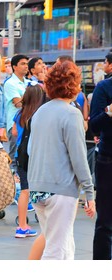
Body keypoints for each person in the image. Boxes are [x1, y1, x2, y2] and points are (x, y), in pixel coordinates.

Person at [27, 60, 96, 260]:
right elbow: (79, 157)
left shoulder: (40, 112)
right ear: (73, 85)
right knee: (56, 251)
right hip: (61, 190)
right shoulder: (71, 114)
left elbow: (32, 150)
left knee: (63, 245)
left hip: (38, 187)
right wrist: (89, 192)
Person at [12, 83, 47, 238]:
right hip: (35, 155)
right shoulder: (39, 115)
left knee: (24, 190)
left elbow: (13, 132)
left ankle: (22, 226)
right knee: (40, 187)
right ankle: (44, 221)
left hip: (21, 155)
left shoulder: (20, 114)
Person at [90, 53, 112, 260]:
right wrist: (108, 113)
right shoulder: (104, 87)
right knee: (105, 222)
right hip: (108, 161)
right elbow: (93, 126)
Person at [3, 54, 29, 172]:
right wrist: (30, 94)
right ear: (14, 67)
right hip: (15, 124)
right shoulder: (10, 83)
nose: (26, 66)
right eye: (22, 64)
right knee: (14, 156)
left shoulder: (28, 83)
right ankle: (13, 183)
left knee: (25, 155)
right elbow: (18, 103)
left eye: (27, 64)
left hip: (28, 123)